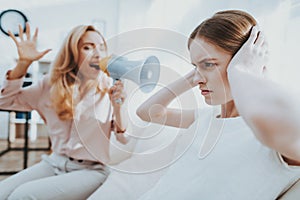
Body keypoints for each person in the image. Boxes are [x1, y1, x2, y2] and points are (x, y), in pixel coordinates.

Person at [136, 10, 300, 199]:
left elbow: (273, 117)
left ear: (246, 61)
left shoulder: (271, 134)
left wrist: (242, 72)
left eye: (209, 64)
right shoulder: (206, 117)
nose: (197, 79)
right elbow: (147, 112)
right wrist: (196, 73)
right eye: (194, 66)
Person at [0, 23, 128, 199]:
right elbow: (5, 101)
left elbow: (123, 138)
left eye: (101, 48)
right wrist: (23, 64)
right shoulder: (50, 84)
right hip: (54, 162)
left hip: (91, 171)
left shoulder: (109, 88)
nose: (97, 54)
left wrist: (118, 106)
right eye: (87, 47)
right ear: (73, 53)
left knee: (21, 196)